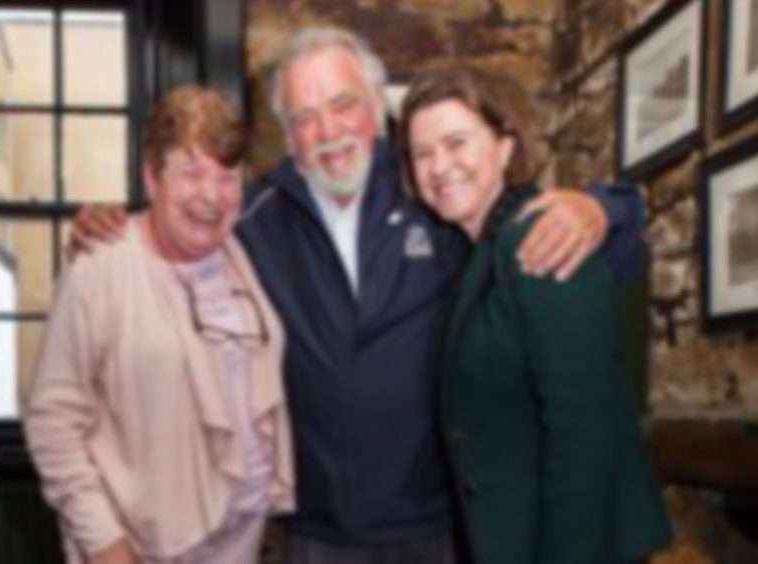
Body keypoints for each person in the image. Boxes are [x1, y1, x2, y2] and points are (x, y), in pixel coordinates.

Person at [68, 27, 649, 563]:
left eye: (343, 104)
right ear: (288, 134)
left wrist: (606, 208)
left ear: (376, 108)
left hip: (441, 528)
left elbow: (570, 241)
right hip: (318, 536)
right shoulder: (254, 220)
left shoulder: (433, 189)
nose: (328, 132)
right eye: (305, 117)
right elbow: (174, 243)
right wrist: (109, 236)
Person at [399, 66, 671, 563]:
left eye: (456, 143)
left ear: (505, 146)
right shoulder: (479, 251)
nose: (439, 166)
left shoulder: (540, 235)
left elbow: (585, 433)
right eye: (422, 153)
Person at [23, 86, 294, 564]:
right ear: (152, 179)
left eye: (227, 176)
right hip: (142, 550)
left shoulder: (241, 252)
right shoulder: (100, 266)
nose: (211, 195)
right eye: (191, 173)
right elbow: (53, 422)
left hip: (241, 542)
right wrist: (105, 543)